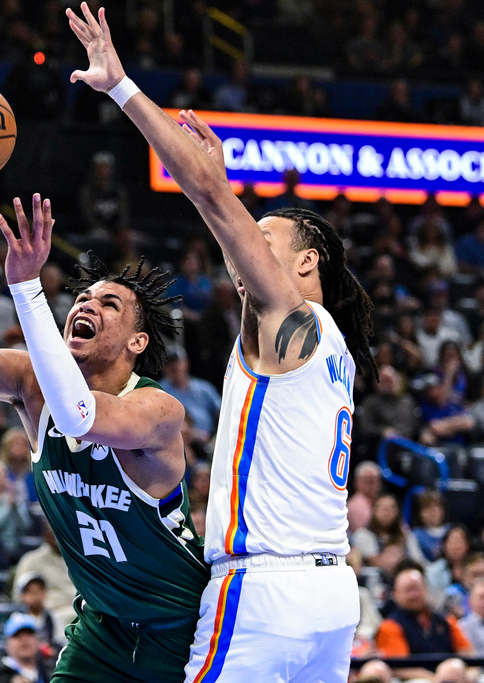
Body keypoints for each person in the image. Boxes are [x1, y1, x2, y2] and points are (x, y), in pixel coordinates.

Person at [67, 5, 378, 680]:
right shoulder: (331, 351)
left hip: (264, 588)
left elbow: (206, 192)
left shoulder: (294, 322)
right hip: (331, 591)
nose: (247, 253)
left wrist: (121, 85)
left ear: (305, 265)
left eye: (266, 242)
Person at [0, 122, 208, 683]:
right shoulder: (31, 382)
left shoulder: (158, 411)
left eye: (110, 304)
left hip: (185, 631)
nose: (86, 304)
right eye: (83, 297)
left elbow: (83, 417)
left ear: (138, 342)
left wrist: (27, 289)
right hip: (102, 629)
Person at [0, 613, 50, 683]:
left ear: (38, 640)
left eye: (29, 634)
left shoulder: (50, 669)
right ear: (7, 643)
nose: (24, 640)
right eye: (17, 636)